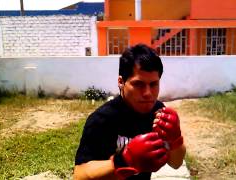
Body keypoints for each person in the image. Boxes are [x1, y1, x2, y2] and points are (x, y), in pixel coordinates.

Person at [74, 44, 186, 180]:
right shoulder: (102, 119)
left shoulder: (158, 113)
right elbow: (79, 175)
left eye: (153, 84)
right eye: (138, 84)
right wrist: (123, 161)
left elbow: (176, 163)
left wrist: (175, 139)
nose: (148, 93)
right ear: (121, 82)